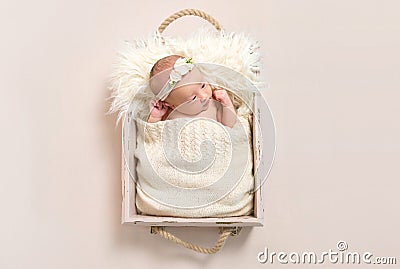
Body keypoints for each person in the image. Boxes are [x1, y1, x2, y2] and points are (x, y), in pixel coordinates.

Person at [147, 55, 237, 127]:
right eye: (194, 98)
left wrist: (227, 104)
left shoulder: (213, 104)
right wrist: (155, 117)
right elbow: (153, 137)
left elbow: (230, 125)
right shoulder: (169, 115)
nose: (204, 96)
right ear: (173, 106)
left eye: (203, 85)